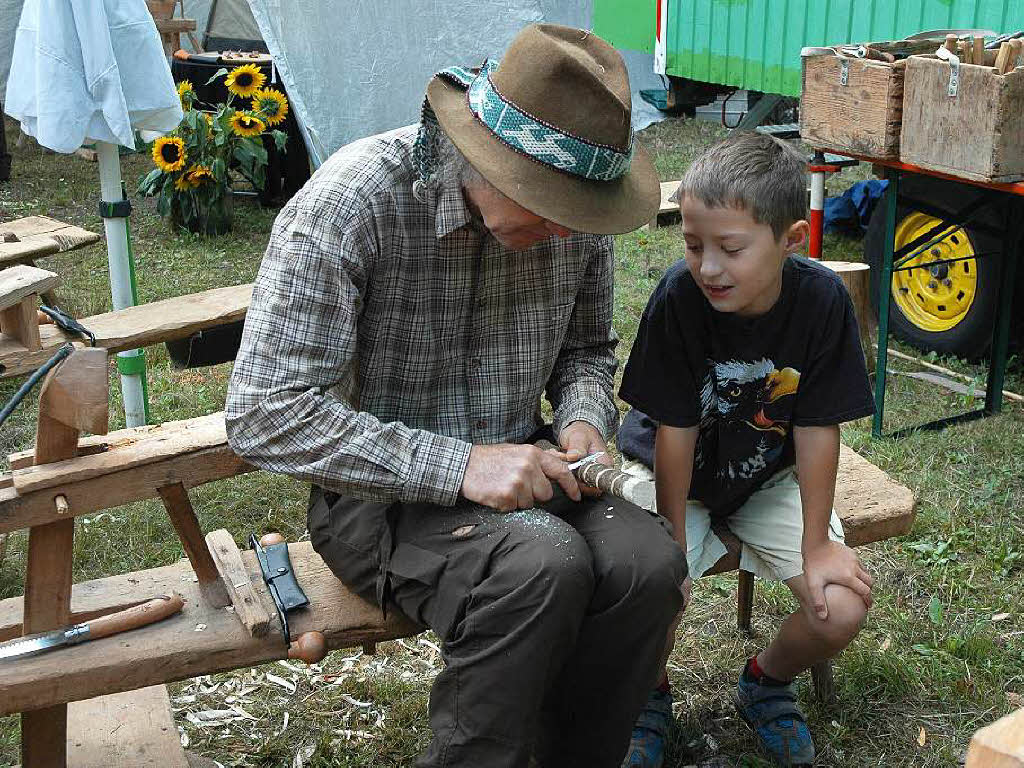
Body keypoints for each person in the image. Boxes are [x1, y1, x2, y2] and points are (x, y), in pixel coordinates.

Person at [226, 23, 687, 768]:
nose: (564, 229)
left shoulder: (577, 220)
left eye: (576, 209)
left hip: (528, 465)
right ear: (484, 156)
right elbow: (263, 413)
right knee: (542, 567)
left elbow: (586, 354)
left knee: (649, 565)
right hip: (374, 499)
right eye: (545, 201)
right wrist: (459, 466)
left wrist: (580, 420)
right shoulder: (353, 204)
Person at [617, 132, 876, 767]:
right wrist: (674, 545)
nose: (707, 267)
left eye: (730, 249)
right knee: (648, 583)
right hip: (669, 473)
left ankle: (765, 681)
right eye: (693, 244)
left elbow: (818, 428)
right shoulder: (680, 298)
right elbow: (673, 432)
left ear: (791, 240)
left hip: (766, 480)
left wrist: (818, 543)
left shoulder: (821, 302)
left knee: (839, 607)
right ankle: (648, 694)